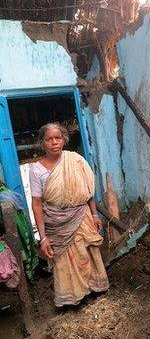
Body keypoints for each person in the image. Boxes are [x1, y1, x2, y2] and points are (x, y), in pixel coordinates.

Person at [29, 123, 109, 307]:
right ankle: (72, 299)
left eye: (58, 138)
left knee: (87, 254)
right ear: (42, 143)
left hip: (82, 215)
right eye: (49, 139)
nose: (54, 142)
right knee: (64, 260)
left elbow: (87, 191)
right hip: (56, 221)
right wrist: (42, 238)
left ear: (64, 140)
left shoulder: (76, 160)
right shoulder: (36, 170)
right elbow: (37, 204)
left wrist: (95, 215)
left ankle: (93, 291)